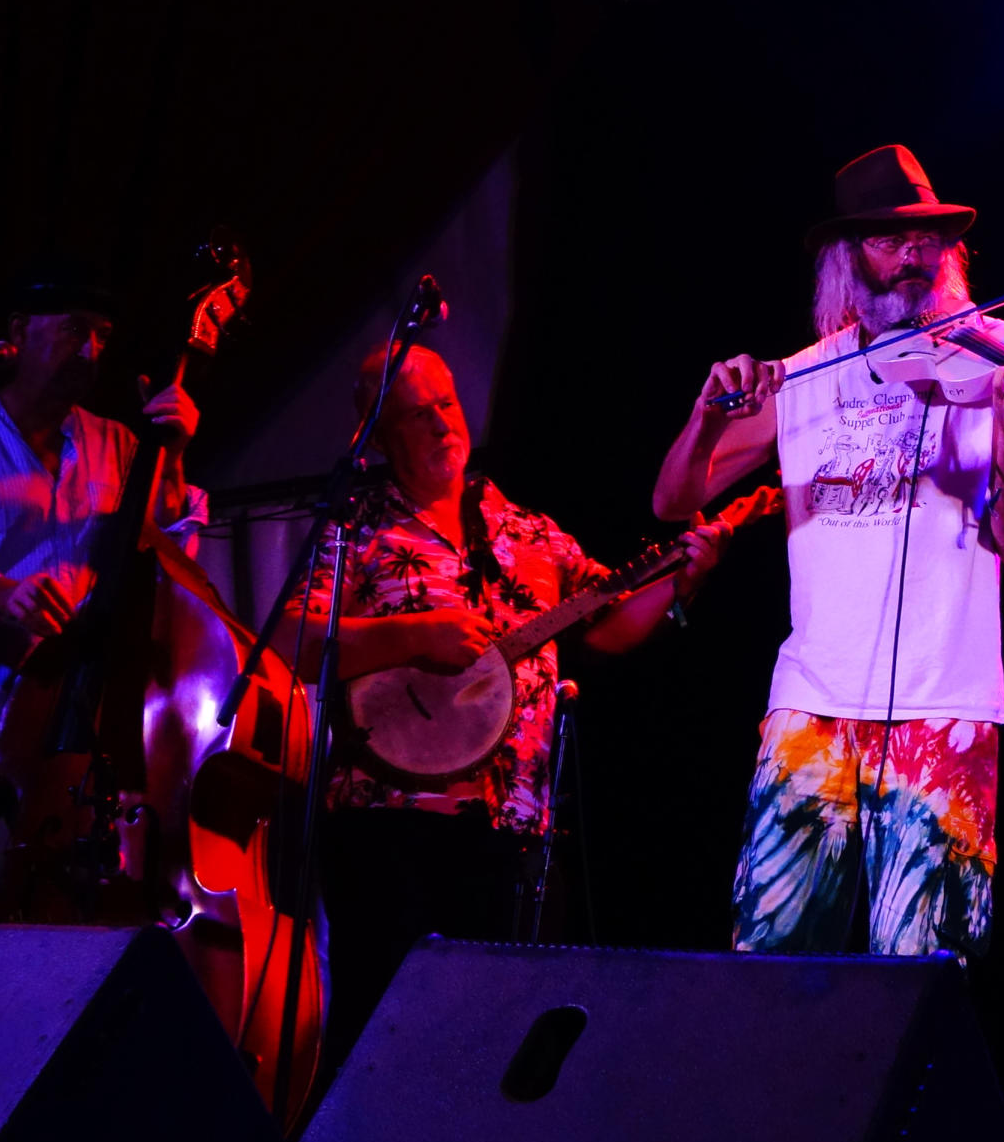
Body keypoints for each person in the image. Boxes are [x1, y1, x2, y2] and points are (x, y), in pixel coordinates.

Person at [654, 145, 1004, 957]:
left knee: (919, 978)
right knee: (769, 963)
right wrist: (705, 417)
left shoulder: (995, 350)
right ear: (848, 258)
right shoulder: (805, 375)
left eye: (927, 239)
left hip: (944, 704)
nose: (913, 254)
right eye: (888, 238)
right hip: (811, 704)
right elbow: (673, 500)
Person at [275, 341, 728, 1071]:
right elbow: (292, 639)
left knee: (498, 1050)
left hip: (515, 831)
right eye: (417, 414)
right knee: (385, 1043)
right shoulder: (355, 527)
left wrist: (680, 579)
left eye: (447, 404)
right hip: (390, 825)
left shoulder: (525, 529)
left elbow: (609, 623)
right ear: (379, 435)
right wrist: (414, 633)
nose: (441, 424)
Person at [0, 261, 202, 919]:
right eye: (76, 330)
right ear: (19, 331)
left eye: (103, 336)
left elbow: (169, 562)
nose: (92, 351)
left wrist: (170, 458)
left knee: (66, 907)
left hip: (68, 722)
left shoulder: (116, 443)